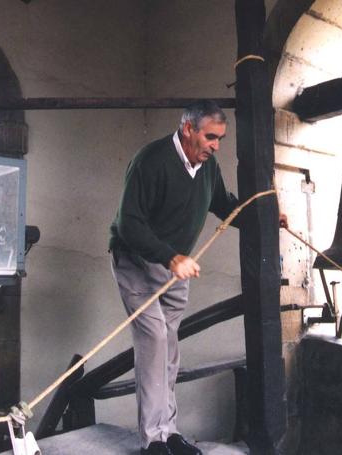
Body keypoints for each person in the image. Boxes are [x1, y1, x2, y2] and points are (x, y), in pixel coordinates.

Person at [109, 100, 239, 455]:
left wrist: (267, 217)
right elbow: (129, 225)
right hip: (138, 262)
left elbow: (225, 205)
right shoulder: (150, 161)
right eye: (211, 137)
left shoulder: (208, 168)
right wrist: (171, 257)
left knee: (168, 350)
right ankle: (153, 440)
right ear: (188, 129)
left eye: (220, 139)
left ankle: (169, 433)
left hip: (175, 267)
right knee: (153, 344)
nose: (216, 146)